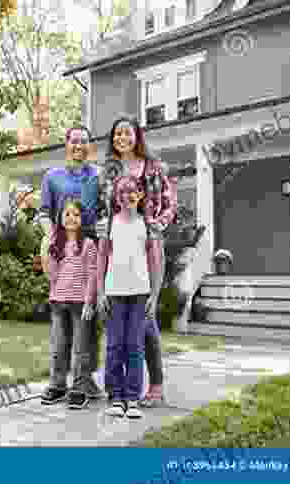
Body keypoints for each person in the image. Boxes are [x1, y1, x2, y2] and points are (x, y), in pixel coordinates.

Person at [95, 116, 177, 408]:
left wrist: (157, 225)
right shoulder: (109, 170)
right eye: (117, 133)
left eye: (127, 133)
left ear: (137, 136)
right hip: (119, 244)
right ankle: (120, 387)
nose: (122, 138)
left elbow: (169, 201)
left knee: (147, 318)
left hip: (148, 241)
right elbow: (99, 205)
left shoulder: (153, 167)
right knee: (129, 327)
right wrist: (103, 226)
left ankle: (154, 385)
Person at [38, 126, 104, 400]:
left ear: (89, 147)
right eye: (74, 141)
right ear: (66, 144)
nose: (79, 146)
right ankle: (58, 381)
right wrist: (52, 239)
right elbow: (43, 213)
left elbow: (107, 209)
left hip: (91, 250)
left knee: (88, 321)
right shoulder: (52, 177)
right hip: (62, 251)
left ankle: (84, 380)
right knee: (62, 327)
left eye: (84, 142)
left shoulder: (98, 176)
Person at [87, 175, 159, 418]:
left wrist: (155, 296)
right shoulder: (108, 225)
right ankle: (116, 397)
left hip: (140, 294)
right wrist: (100, 292)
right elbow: (101, 260)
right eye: (121, 192)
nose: (126, 196)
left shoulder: (147, 225)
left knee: (135, 346)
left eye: (131, 191)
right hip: (114, 294)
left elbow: (155, 264)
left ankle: (132, 398)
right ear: (115, 197)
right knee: (115, 346)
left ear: (139, 195)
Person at [41, 198, 99, 409]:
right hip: (58, 301)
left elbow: (93, 275)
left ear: (82, 219)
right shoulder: (56, 243)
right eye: (67, 214)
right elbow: (53, 275)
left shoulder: (89, 244)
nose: (71, 218)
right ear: (60, 218)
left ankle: (80, 387)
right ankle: (57, 384)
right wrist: (48, 253)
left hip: (80, 303)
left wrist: (89, 302)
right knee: (58, 346)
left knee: (81, 348)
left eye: (76, 214)